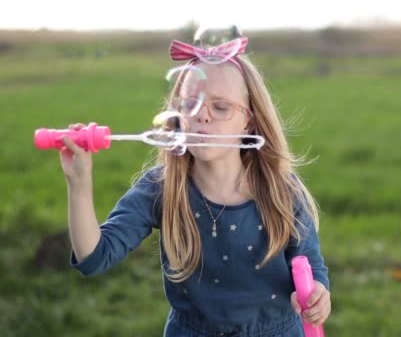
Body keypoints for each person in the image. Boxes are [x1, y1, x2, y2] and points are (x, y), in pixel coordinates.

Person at [60, 32, 331, 336]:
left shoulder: (281, 188)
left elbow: (310, 263)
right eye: (191, 104)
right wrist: (79, 183)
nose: (203, 116)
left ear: (250, 122)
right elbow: (93, 258)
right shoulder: (161, 188)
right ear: (178, 117)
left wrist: (318, 293)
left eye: (221, 108)